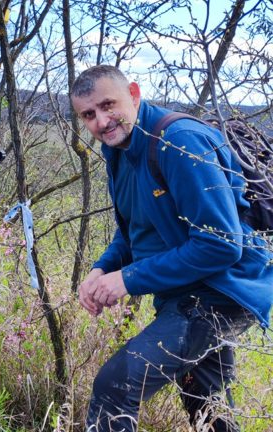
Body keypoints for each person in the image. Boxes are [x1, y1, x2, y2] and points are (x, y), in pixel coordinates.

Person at [70, 65, 273, 431]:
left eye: (108, 105)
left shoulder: (178, 141)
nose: (101, 121)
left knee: (115, 386)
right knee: (207, 408)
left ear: (133, 94)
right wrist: (103, 269)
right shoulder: (120, 151)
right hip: (185, 294)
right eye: (88, 114)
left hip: (221, 292)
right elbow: (135, 229)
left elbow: (222, 244)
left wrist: (127, 280)